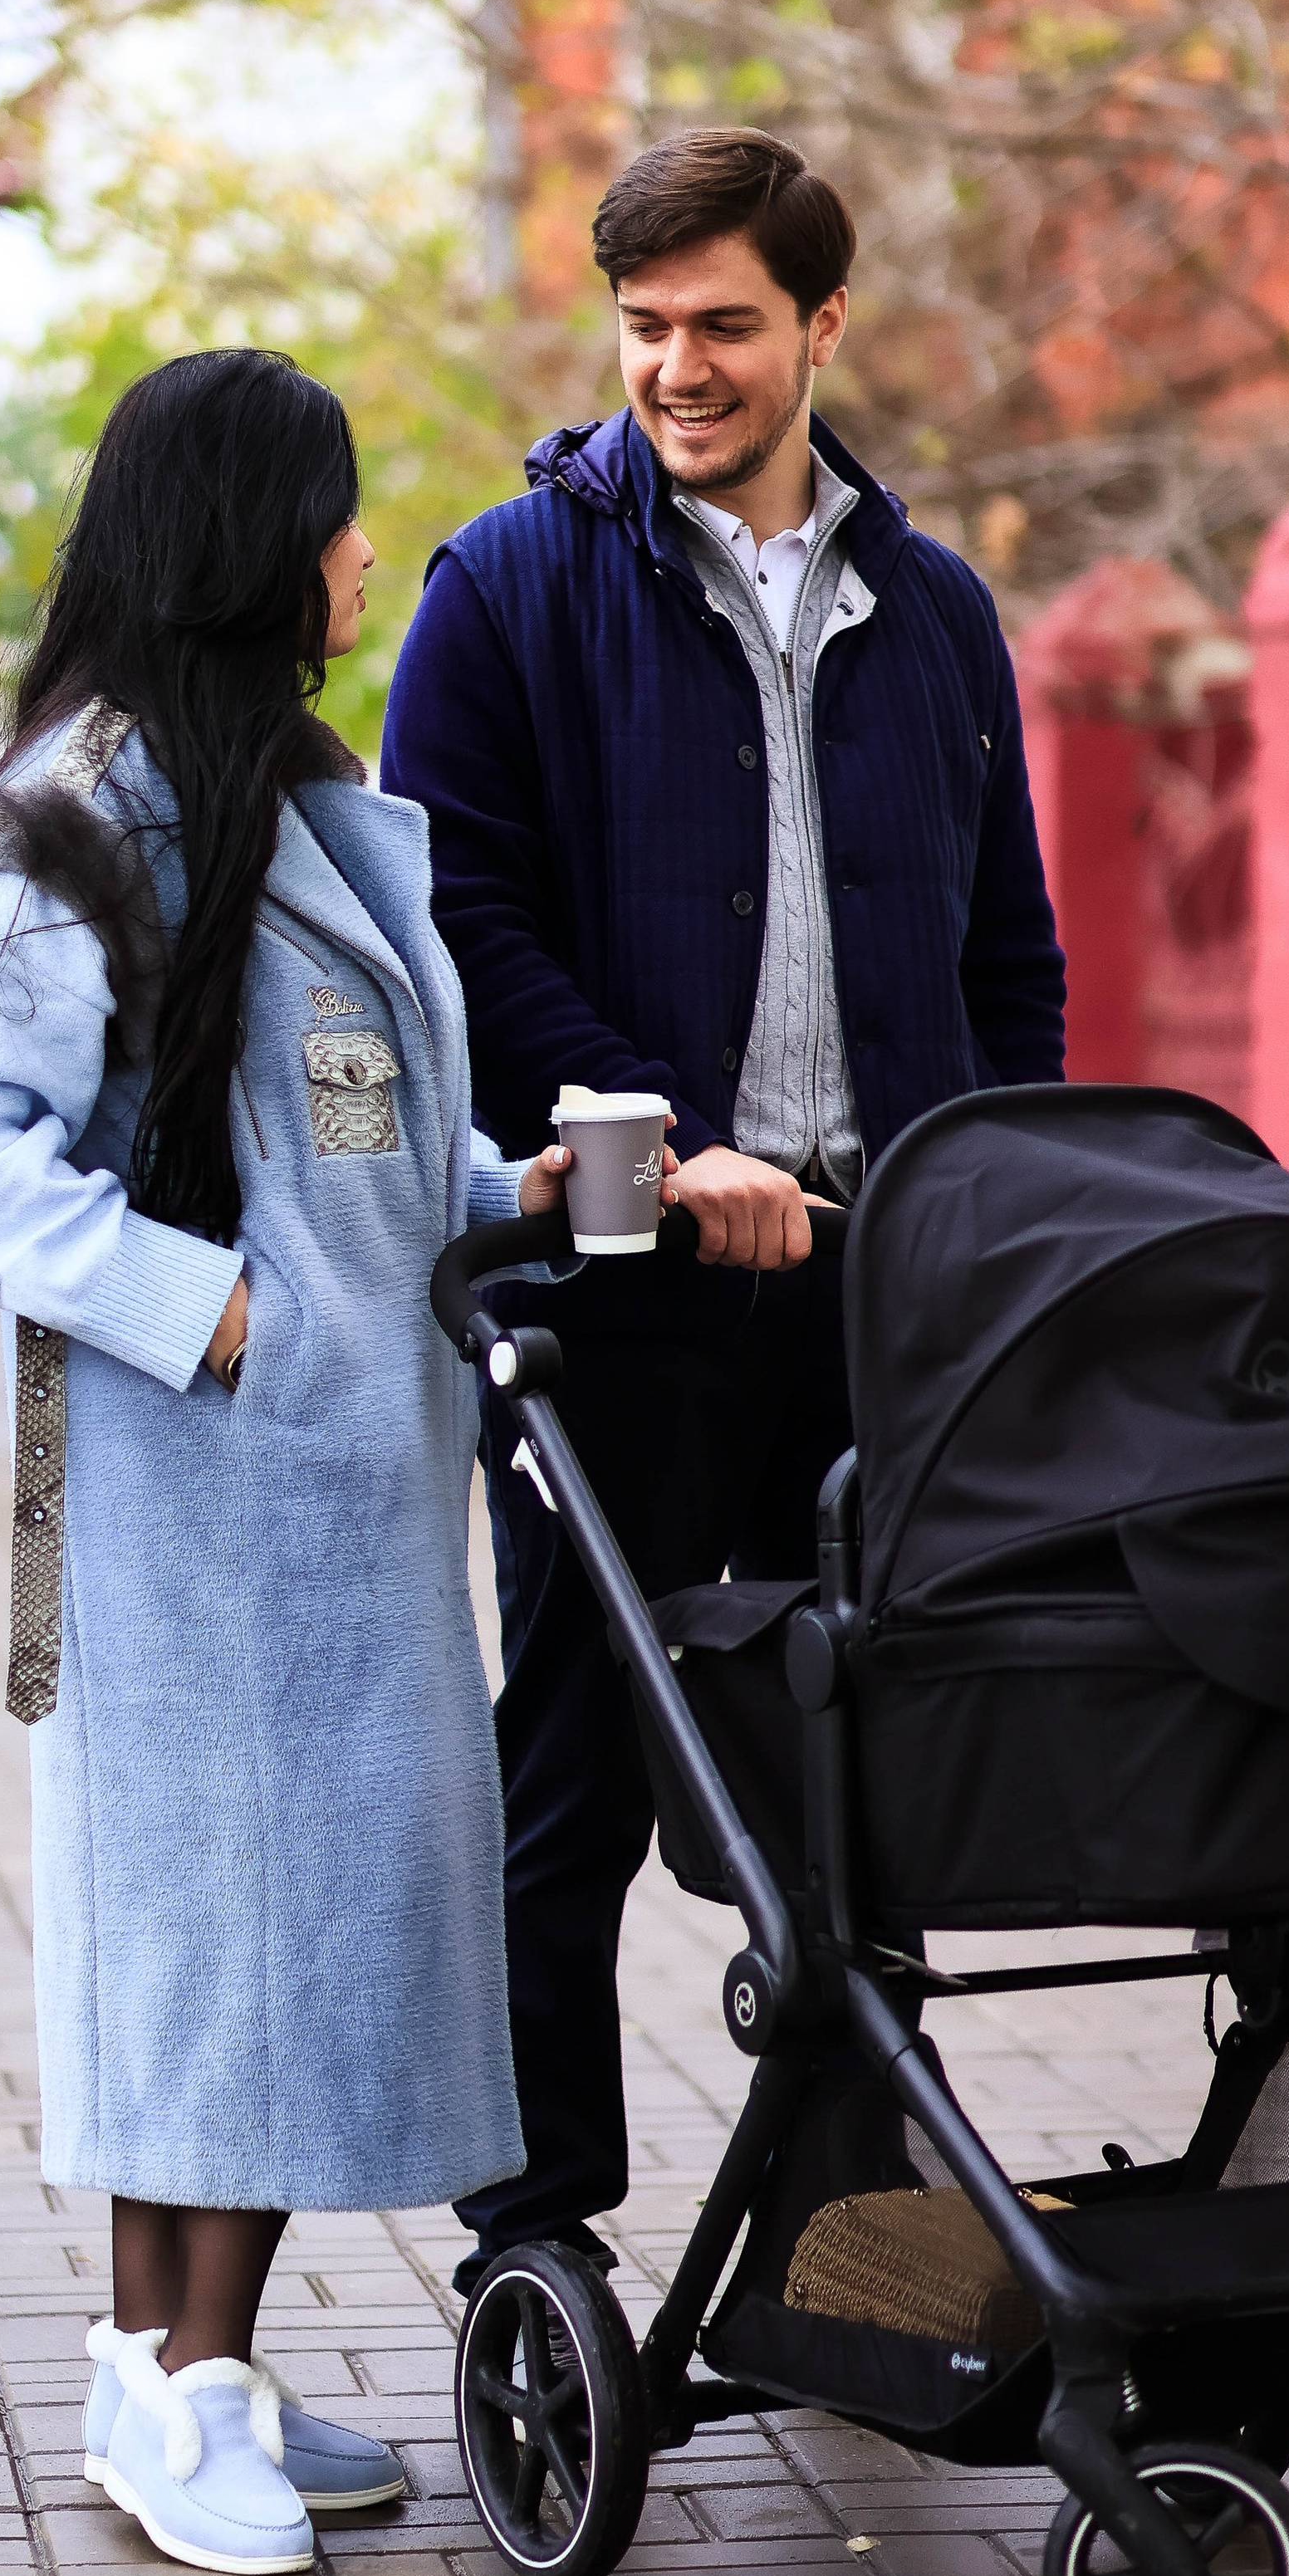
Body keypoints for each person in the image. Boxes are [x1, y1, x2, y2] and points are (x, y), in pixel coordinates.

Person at [0, 350, 662, 2576]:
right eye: (333, 514)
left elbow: (345, 1146)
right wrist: (216, 1317)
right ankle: (167, 2388)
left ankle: (190, 2373)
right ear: (244, 542)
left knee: (292, 1950)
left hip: (334, 1502)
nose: (363, 553)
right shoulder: (81, 815)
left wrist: (531, 1189)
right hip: (190, 1509)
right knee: (216, 1955)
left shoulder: (281, 799)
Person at [380, 125, 1066, 2292]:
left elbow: (1008, 958)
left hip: (877, 1288)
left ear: (822, 327)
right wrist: (660, 1149)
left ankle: (857, 2211)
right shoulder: (506, 587)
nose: (679, 366)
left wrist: (994, 1199)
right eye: (647, 326)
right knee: (579, 1758)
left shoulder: (936, 612)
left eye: (726, 325)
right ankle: (536, 2230)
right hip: (625, 1285)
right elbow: (459, 918)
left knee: (856, 1759)